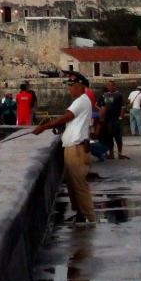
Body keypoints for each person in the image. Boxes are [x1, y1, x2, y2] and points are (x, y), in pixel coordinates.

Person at [33, 78, 95, 223]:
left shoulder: (81, 101)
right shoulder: (83, 100)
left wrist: (44, 127)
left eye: (71, 86)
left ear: (80, 86)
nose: (69, 89)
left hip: (76, 149)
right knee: (73, 184)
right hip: (72, 147)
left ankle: (89, 217)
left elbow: (66, 117)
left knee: (79, 184)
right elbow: (71, 121)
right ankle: (80, 214)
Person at [99, 80, 128, 159]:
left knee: (118, 137)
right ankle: (111, 154)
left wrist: (120, 117)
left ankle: (120, 153)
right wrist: (102, 118)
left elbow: (123, 107)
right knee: (109, 138)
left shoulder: (119, 95)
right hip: (107, 120)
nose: (110, 87)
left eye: (112, 85)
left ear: (115, 86)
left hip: (116, 119)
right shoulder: (105, 95)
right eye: (109, 85)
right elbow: (103, 107)